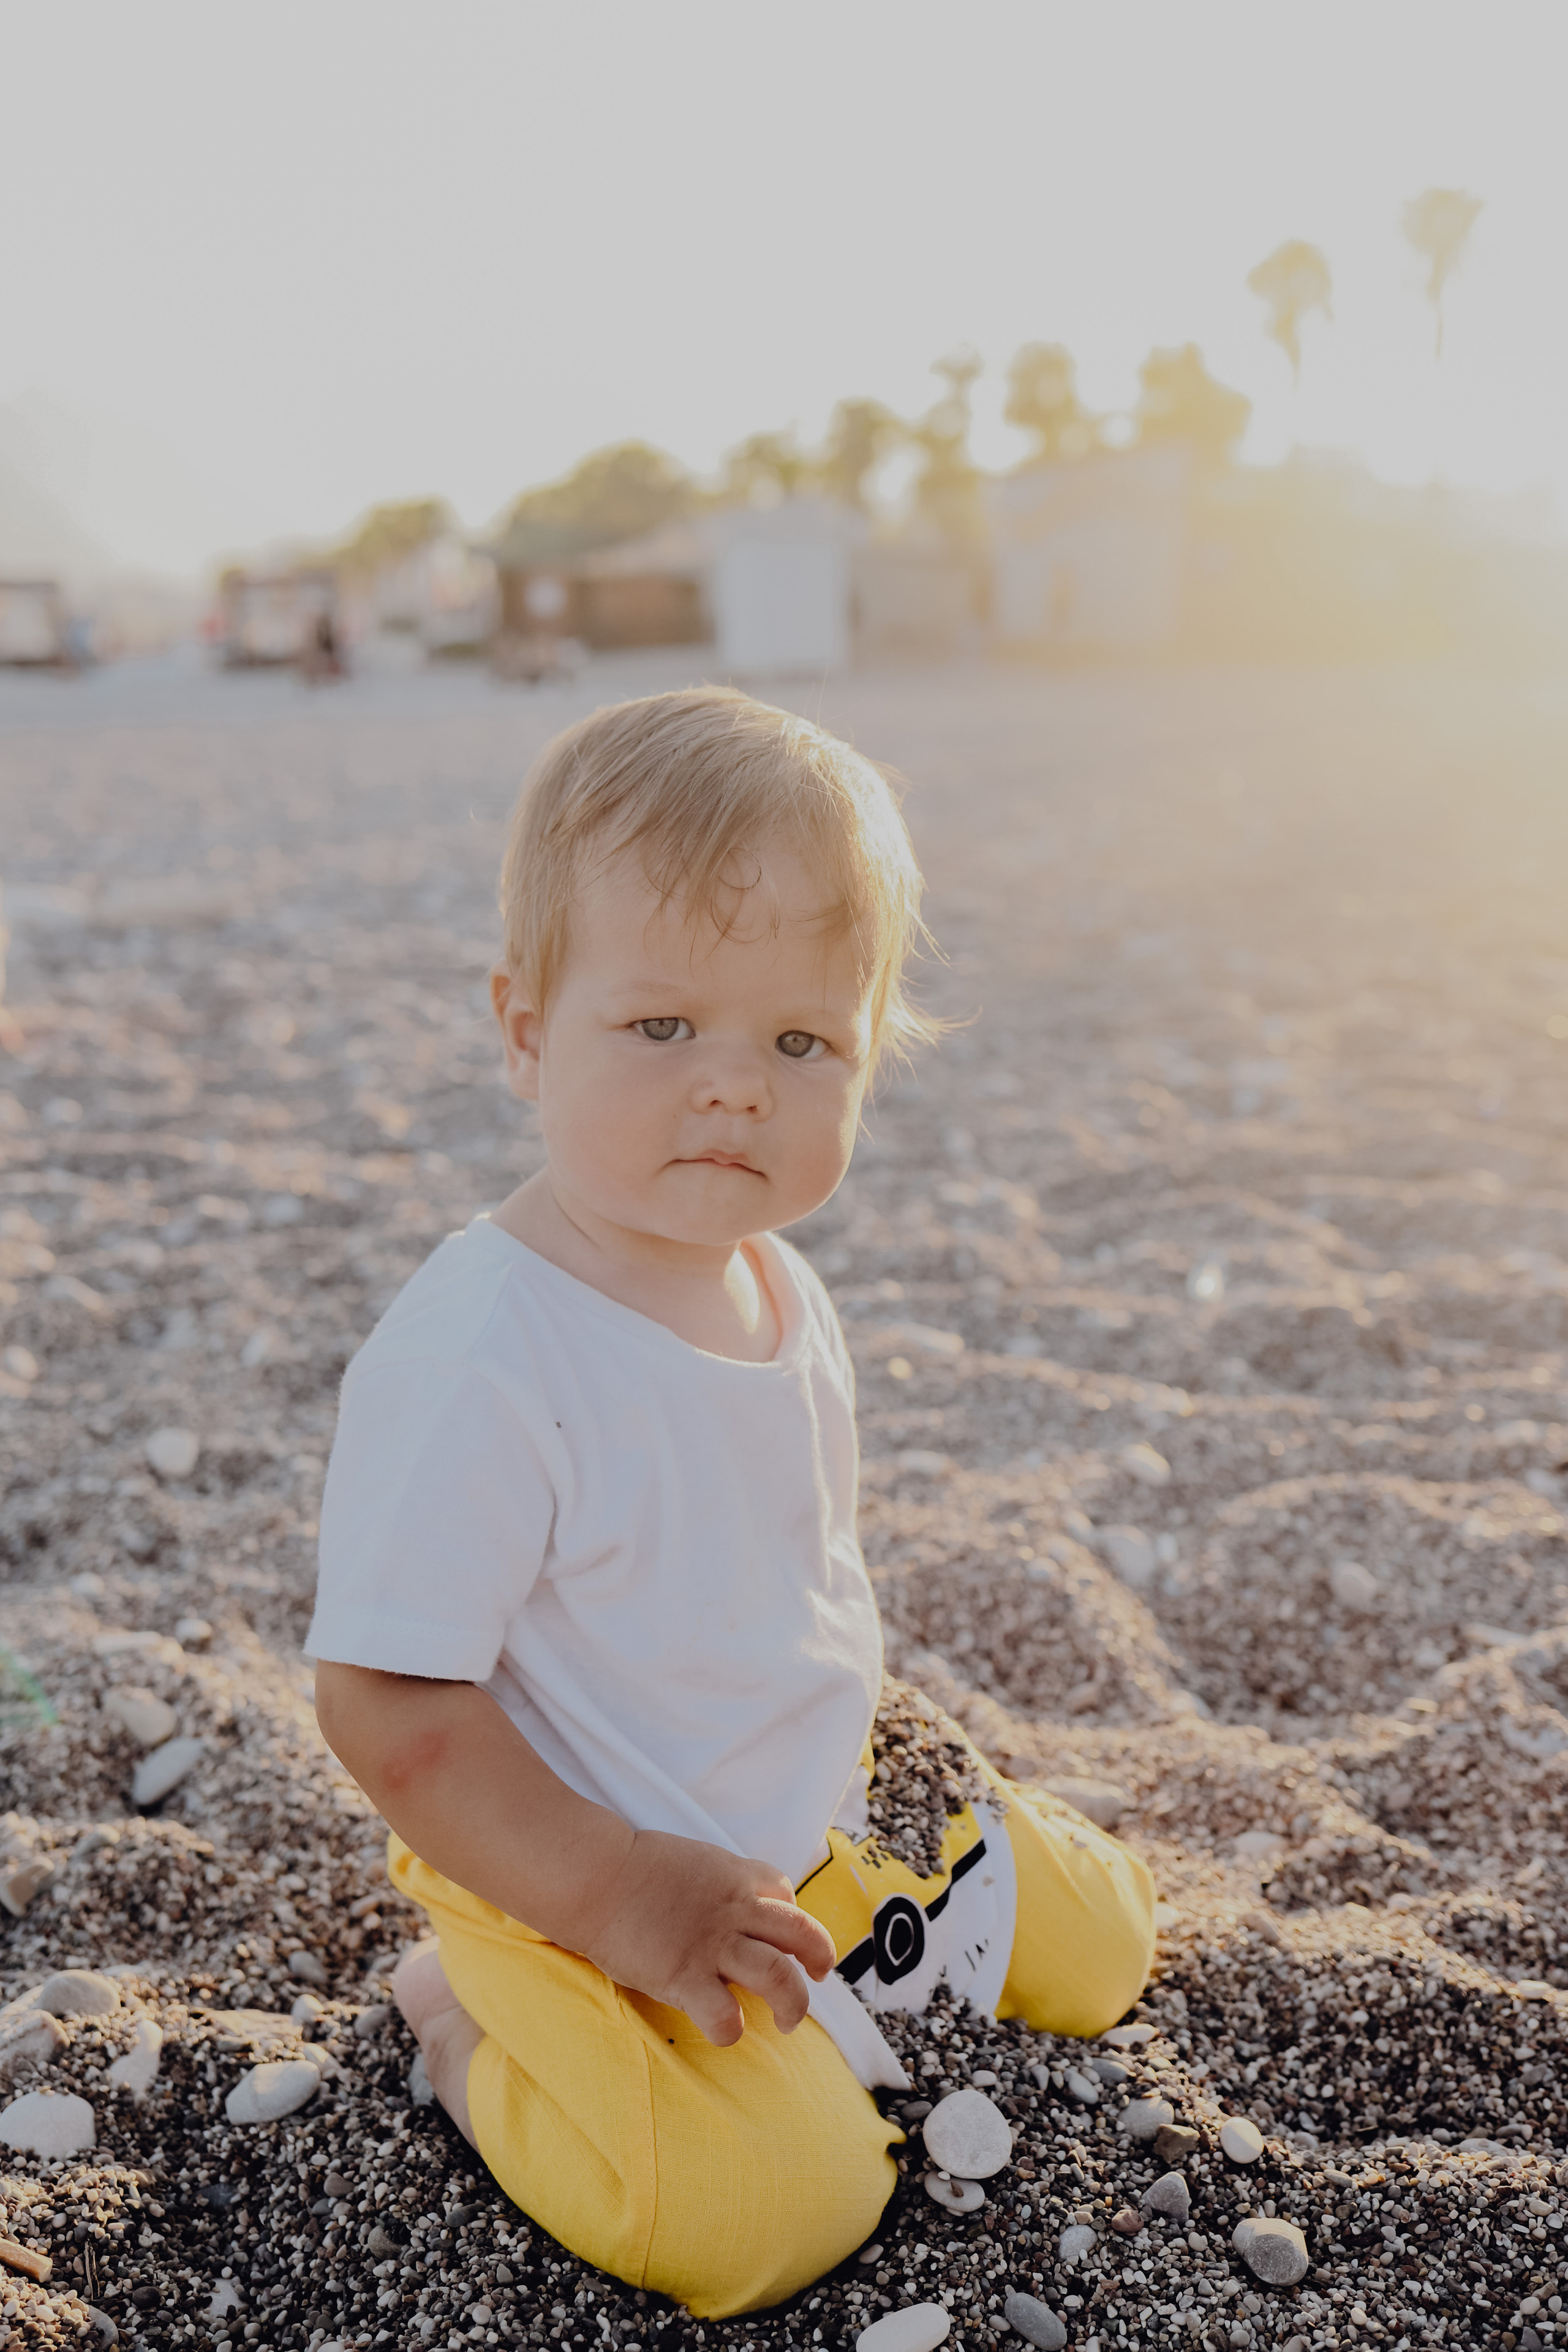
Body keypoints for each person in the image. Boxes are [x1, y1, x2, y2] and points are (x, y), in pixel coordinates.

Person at [309, 687, 1155, 2319]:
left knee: (1103, 1950)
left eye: (800, 1042)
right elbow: (387, 1701)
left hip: (794, 1834)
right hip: (570, 1881)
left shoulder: (774, 1286)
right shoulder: (489, 1347)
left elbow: (779, 1582)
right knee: (776, 2215)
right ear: (524, 1031)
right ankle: (464, 2015)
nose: (733, 1089)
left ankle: (884, 1898)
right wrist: (623, 1894)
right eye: (661, 1028)